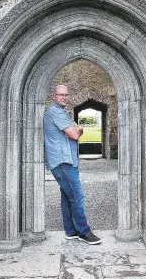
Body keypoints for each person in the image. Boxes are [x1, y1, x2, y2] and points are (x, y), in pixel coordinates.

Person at [43, 84, 101, 245]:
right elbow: (75, 134)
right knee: (77, 196)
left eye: (66, 95)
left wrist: (74, 129)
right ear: (54, 96)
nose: (64, 97)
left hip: (65, 161)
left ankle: (71, 231)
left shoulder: (60, 112)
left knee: (67, 197)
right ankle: (84, 231)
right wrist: (80, 128)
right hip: (63, 162)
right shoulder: (55, 112)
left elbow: (71, 133)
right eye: (61, 95)